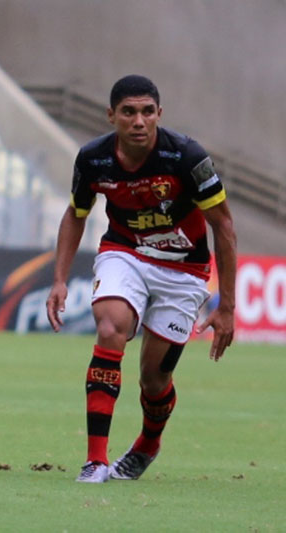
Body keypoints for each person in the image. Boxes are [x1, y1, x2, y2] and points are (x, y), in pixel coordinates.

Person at [45, 75, 237, 483]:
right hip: (125, 253)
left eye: (147, 112)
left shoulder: (186, 156)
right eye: (128, 112)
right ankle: (95, 460)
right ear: (111, 115)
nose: (138, 121)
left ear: (159, 114)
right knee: (110, 327)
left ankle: (148, 444)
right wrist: (59, 279)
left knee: (154, 377)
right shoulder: (93, 159)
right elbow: (76, 213)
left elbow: (223, 226)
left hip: (184, 270)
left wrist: (227, 307)